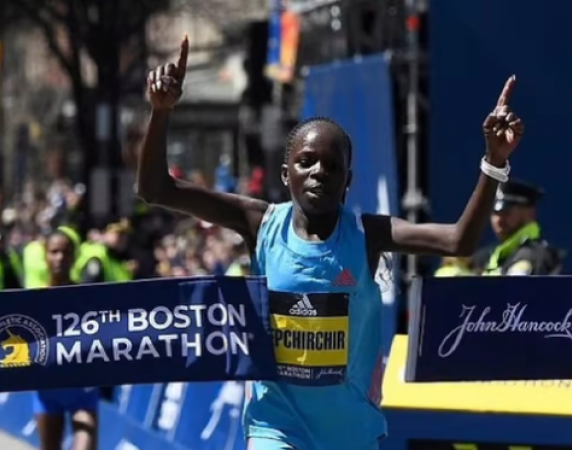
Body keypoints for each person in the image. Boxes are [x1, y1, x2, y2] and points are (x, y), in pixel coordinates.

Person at [137, 36, 524, 450]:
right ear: (286, 175)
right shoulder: (260, 223)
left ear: (348, 182)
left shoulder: (367, 234)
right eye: (306, 161)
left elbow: (459, 240)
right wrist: (161, 113)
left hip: (349, 433)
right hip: (276, 426)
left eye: (332, 165)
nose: (319, 171)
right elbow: (156, 188)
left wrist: (494, 162)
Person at [33, 227, 99, 450]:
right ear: (45, 255)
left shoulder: (87, 299)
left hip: (81, 390)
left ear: (74, 257)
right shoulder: (32, 300)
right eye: (54, 252)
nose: (60, 258)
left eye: (66, 252)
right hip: (47, 391)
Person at [469, 179, 562, 275]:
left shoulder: (535, 255)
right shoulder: (484, 257)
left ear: (529, 213)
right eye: (495, 213)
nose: (499, 220)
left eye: (506, 212)